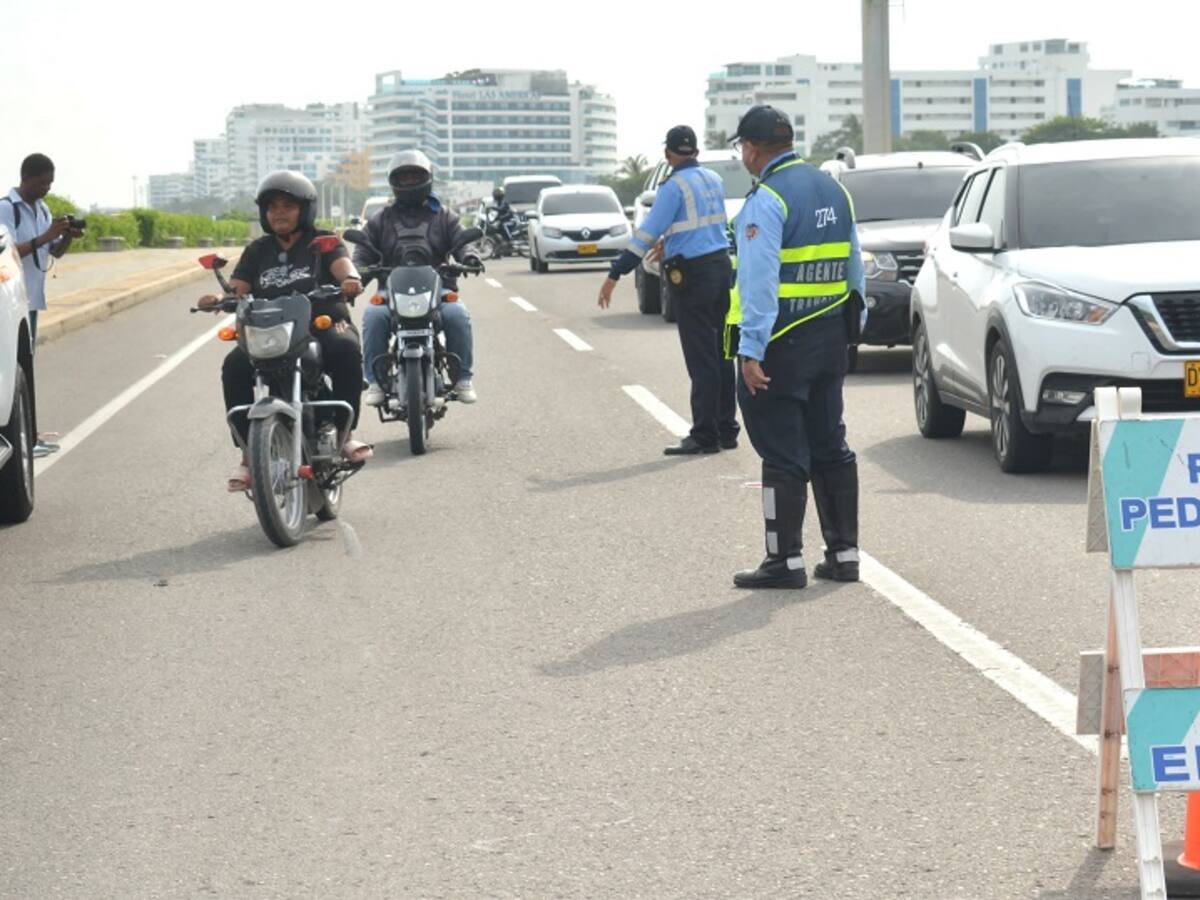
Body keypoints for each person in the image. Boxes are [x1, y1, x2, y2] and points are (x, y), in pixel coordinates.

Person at [725, 105, 865, 589]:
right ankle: (844, 555)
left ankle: (783, 561)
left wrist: (751, 350)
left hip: (781, 343)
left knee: (782, 454)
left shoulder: (766, 200)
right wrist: (852, 325)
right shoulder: (834, 189)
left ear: (752, 148)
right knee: (831, 445)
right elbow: (854, 265)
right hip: (830, 336)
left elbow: (759, 284)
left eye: (742, 147)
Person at [198, 170, 371, 492]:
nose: (279, 213)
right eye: (272, 207)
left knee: (345, 347)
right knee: (234, 366)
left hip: (321, 324)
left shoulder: (323, 241)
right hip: (271, 330)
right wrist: (219, 299)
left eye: (288, 206)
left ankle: (346, 435)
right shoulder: (257, 250)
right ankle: (248, 456)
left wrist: (351, 279)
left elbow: (343, 266)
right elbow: (238, 288)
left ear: (304, 209)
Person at [597, 125, 739, 455]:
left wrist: (615, 273)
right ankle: (726, 429)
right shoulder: (713, 180)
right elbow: (704, 225)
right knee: (721, 353)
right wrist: (672, 240)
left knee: (701, 357)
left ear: (667, 153)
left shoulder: (673, 187)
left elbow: (646, 233)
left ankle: (704, 435)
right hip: (720, 267)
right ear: (696, 151)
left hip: (694, 276)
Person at [357, 150, 477, 406]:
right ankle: (376, 380)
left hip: (439, 289)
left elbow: (462, 241)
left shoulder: (444, 215)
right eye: (404, 177)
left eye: (415, 176)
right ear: (394, 182)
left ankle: (462, 378)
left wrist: (469, 257)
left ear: (427, 178)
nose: (410, 182)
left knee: (458, 314)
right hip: (391, 292)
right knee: (373, 316)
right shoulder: (380, 219)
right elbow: (363, 252)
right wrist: (357, 273)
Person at [0, 153, 82, 457]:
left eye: (50, 183)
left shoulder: (42, 208)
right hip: (11, 303)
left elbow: (54, 252)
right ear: (27, 178)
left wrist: (66, 237)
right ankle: (24, 439)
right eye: (43, 183)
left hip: (32, 301)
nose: (47, 188)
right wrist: (46, 235)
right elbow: (7, 253)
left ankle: (30, 436)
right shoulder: (6, 209)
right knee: (17, 374)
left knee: (27, 373)